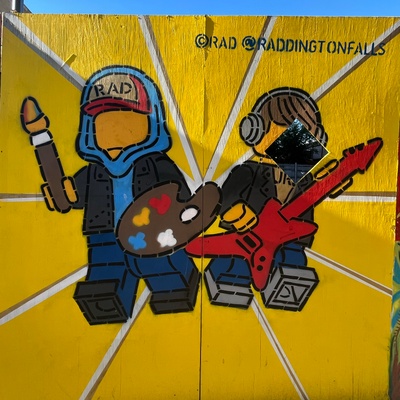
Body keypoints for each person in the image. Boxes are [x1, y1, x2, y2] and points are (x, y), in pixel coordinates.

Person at [20, 65, 201, 325]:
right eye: (103, 122)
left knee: (170, 283)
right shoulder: (94, 172)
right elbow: (65, 198)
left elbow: (180, 196)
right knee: (103, 293)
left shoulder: (156, 163)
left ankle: (174, 293)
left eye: (128, 120)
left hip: (155, 237)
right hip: (105, 238)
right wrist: (41, 138)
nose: (114, 130)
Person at [203, 87, 327, 311]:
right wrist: (236, 213)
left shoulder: (303, 177)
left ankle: (286, 287)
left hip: (289, 239)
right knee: (234, 265)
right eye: (287, 135)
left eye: (301, 136)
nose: (294, 144)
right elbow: (226, 197)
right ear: (255, 131)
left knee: (292, 262)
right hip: (246, 237)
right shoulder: (250, 170)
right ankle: (231, 284)